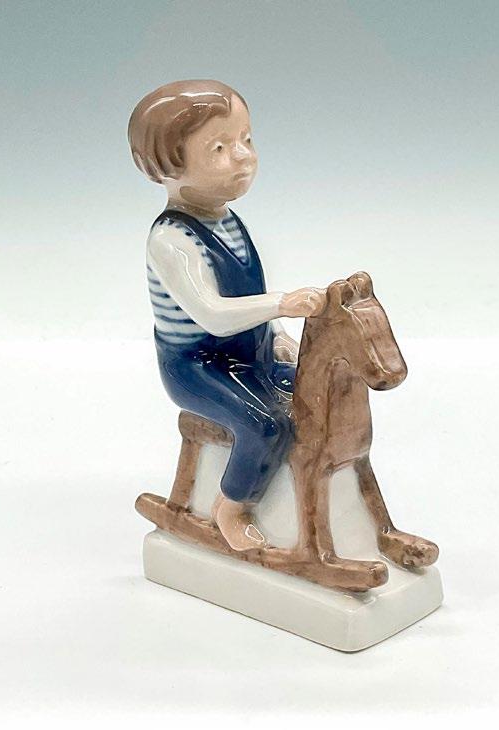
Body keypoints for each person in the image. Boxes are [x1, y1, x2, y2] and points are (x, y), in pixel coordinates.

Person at [128, 80, 325, 551]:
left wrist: (276, 333)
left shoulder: (228, 221)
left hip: (250, 352)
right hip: (198, 366)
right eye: (219, 148)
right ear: (164, 166)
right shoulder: (172, 239)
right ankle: (231, 507)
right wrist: (282, 304)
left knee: (317, 388)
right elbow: (213, 315)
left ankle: (302, 499)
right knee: (266, 424)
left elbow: (246, 292)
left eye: (246, 139)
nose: (243, 156)